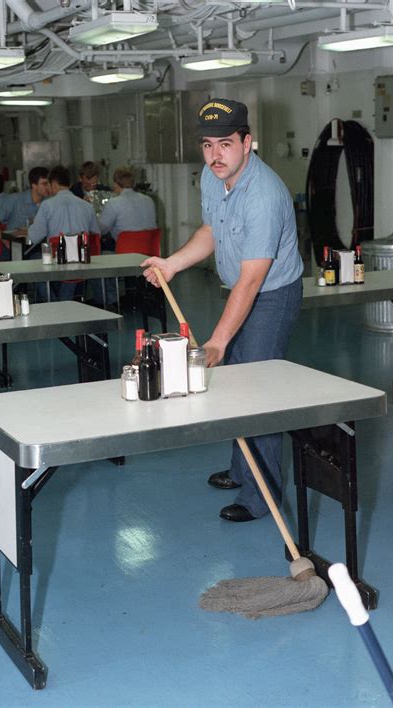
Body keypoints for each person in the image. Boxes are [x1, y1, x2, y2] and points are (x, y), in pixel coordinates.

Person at [142, 98, 303, 523]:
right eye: (208, 144)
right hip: (237, 287)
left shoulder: (264, 196)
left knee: (256, 388)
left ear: (248, 143)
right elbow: (212, 230)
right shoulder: (213, 179)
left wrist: (216, 340)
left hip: (272, 295)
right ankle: (240, 470)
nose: (216, 154)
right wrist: (172, 264)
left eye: (226, 144)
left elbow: (253, 280)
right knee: (234, 380)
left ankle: (259, 496)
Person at [28, 164, 99, 300]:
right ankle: (64, 302)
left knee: (32, 262)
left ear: (53, 183)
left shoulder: (47, 205)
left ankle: (54, 303)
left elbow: (34, 236)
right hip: (82, 259)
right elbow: (96, 234)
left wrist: (31, 226)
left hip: (58, 257)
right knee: (73, 258)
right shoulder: (86, 206)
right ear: (70, 183)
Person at [0, 166, 50, 244]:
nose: (48, 187)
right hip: (17, 248)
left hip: (39, 246)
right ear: (34, 185)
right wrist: (6, 243)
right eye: (44, 184)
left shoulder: (49, 203)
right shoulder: (15, 199)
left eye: (49, 183)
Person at [98, 167, 157, 243]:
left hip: (127, 251)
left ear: (116, 184)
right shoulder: (149, 200)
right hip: (150, 250)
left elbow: (101, 230)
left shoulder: (113, 203)